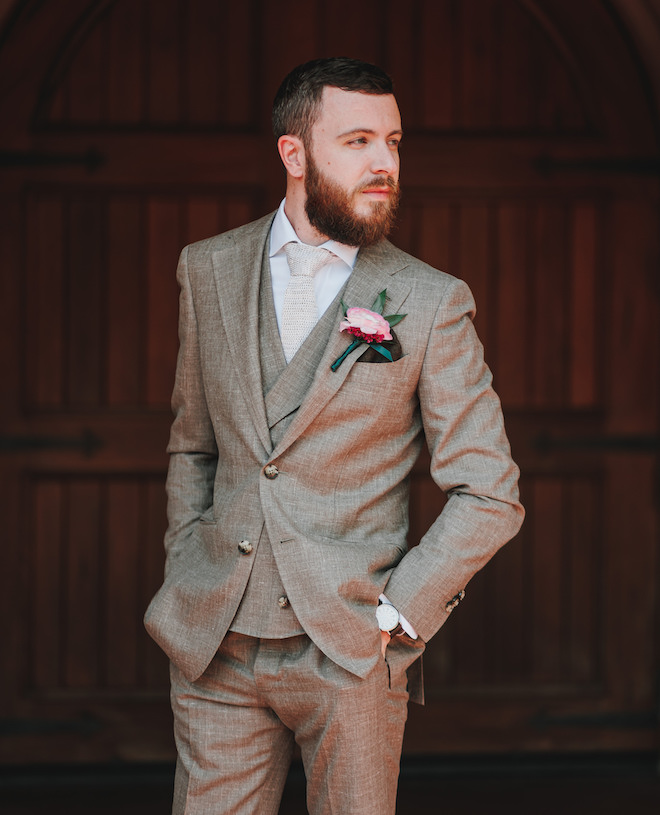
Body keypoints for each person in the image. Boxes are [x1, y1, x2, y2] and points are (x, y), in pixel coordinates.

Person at [144, 56, 524, 815]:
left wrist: (398, 616)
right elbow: (194, 444)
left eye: (394, 142)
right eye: (357, 141)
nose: (384, 161)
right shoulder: (208, 269)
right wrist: (190, 561)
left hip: (352, 651)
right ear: (294, 153)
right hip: (215, 642)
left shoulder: (430, 299)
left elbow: (491, 490)